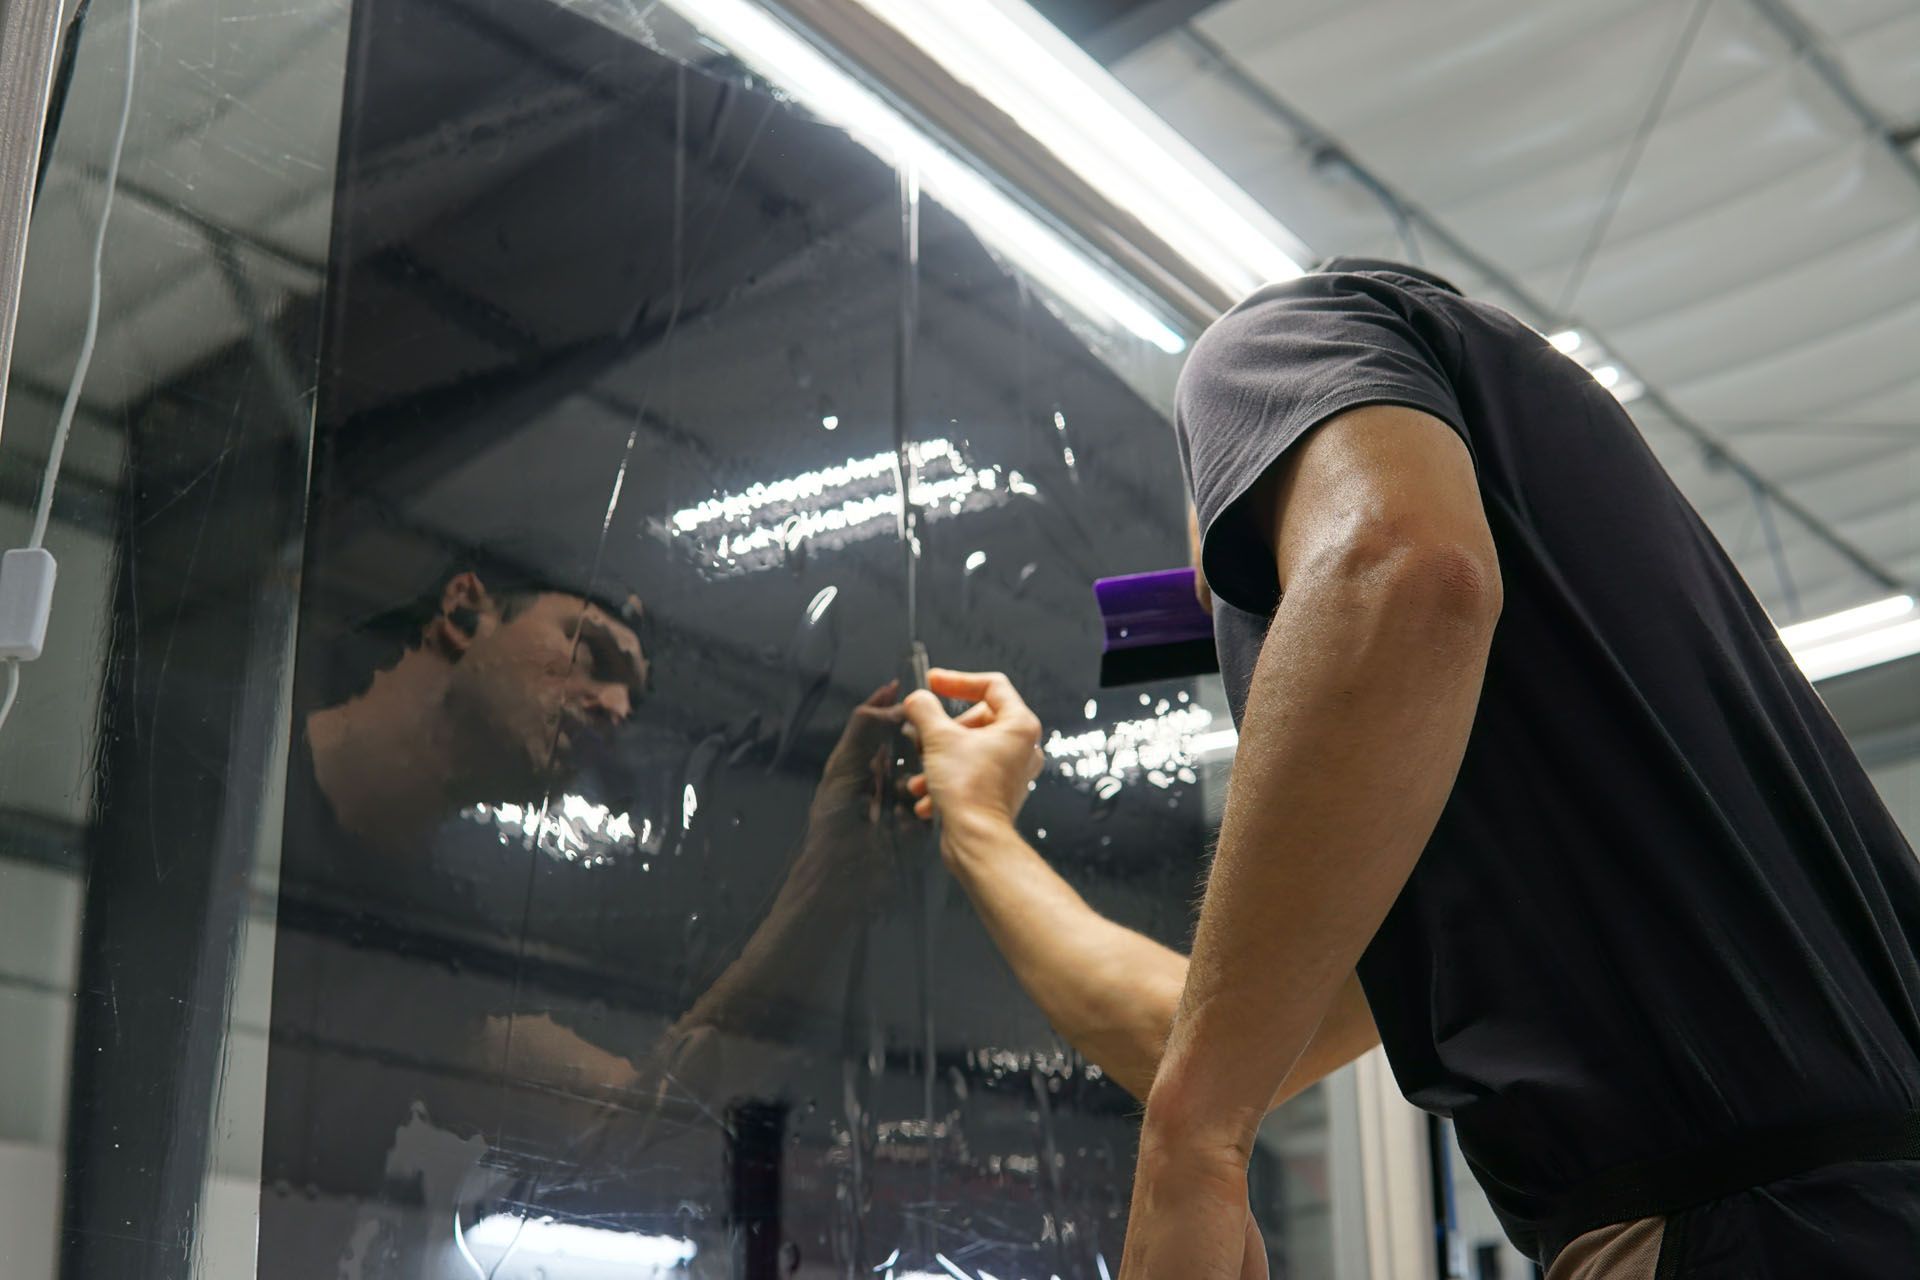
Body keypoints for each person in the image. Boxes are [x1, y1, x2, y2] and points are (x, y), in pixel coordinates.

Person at [901, 258, 1920, 1279]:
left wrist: (1190, 1142)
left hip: (1755, 1233)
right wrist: (982, 827)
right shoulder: (1572, 757)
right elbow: (1195, 1030)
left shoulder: (1284, 337)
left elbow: (1403, 566)